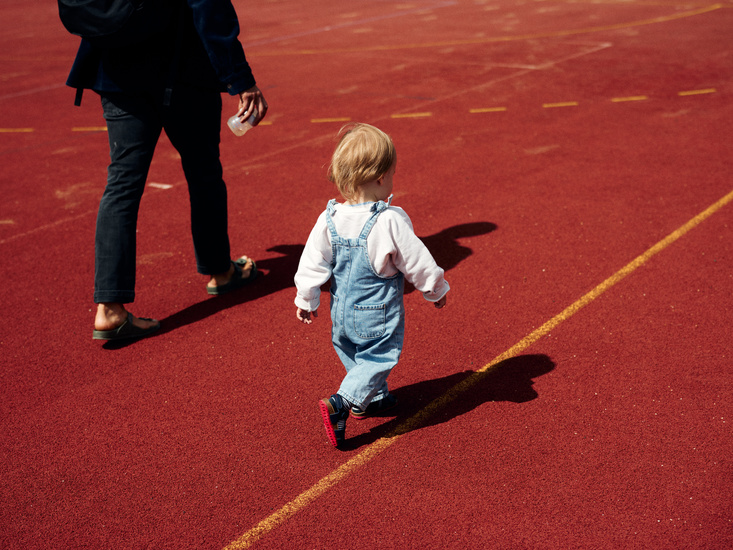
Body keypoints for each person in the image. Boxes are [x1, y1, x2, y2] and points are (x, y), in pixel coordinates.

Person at [65, 0, 268, 341]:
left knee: (122, 184)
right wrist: (241, 79)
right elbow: (208, 5)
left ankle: (109, 308)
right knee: (203, 172)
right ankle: (220, 271)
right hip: (183, 68)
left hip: (116, 69)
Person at [294, 123, 450, 448]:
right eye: (392, 175)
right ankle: (342, 403)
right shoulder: (389, 220)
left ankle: (373, 398)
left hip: (342, 312)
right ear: (381, 178)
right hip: (376, 313)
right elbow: (416, 260)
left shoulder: (329, 218)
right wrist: (435, 290)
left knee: (352, 352)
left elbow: (312, 261)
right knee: (379, 357)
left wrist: (307, 298)